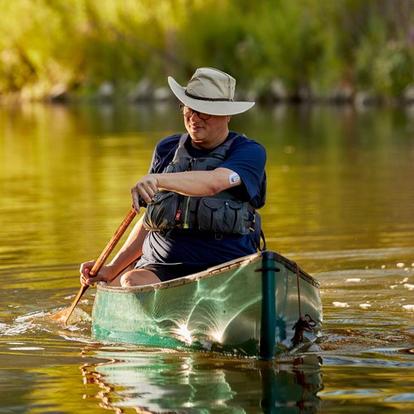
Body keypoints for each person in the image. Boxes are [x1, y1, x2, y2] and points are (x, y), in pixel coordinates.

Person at [80, 67, 266, 287]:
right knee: (128, 280)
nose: (194, 118)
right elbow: (150, 220)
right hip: (161, 267)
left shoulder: (249, 152)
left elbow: (214, 183)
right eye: (189, 108)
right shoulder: (166, 149)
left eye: (203, 111)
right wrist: (112, 268)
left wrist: (158, 180)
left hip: (227, 266)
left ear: (227, 115)